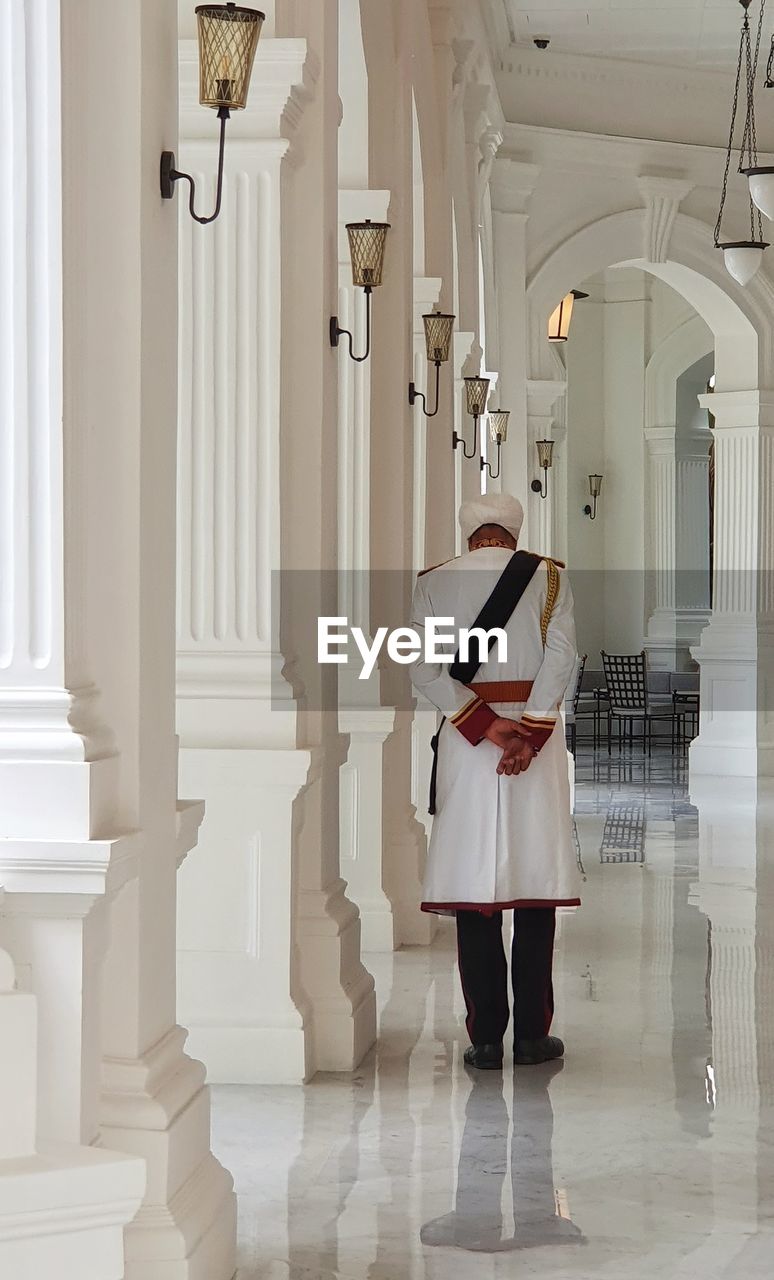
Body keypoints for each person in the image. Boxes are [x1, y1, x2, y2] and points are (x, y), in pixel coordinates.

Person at [410, 493, 580, 1069]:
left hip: (468, 742)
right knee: (534, 886)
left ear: (468, 535)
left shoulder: (435, 581)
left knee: (474, 891)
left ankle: (485, 1039)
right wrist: (527, 734)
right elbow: (562, 658)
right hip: (535, 746)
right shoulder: (549, 577)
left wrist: (487, 726)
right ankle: (533, 1034)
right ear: (514, 530)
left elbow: (422, 666)